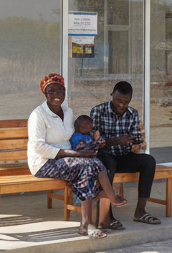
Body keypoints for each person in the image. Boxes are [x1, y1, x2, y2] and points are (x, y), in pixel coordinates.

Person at [27, 73, 127, 239]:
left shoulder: (68, 112)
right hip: (44, 162)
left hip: (68, 158)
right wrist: (75, 154)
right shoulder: (38, 115)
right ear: (45, 94)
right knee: (86, 166)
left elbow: (73, 135)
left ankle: (88, 222)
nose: (56, 95)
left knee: (92, 162)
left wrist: (91, 142)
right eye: (51, 91)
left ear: (64, 93)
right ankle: (98, 209)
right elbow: (38, 146)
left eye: (60, 91)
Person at [90, 80, 162, 228]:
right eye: (118, 101)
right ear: (112, 95)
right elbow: (93, 142)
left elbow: (136, 139)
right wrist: (114, 141)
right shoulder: (98, 111)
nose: (122, 105)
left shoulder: (133, 113)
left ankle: (140, 211)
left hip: (124, 156)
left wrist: (135, 142)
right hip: (104, 156)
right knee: (109, 163)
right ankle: (105, 216)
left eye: (126, 102)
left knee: (149, 161)